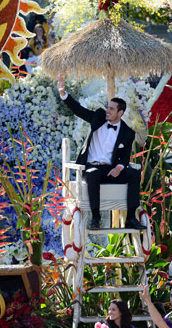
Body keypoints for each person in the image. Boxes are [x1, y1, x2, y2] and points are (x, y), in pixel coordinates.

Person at [57, 76, 145, 231]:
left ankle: (131, 217)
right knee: (93, 175)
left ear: (121, 112)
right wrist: (64, 94)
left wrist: (118, 168)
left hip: (110, 169)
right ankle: (96, 218)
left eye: (111, 109)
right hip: (91, 167)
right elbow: (79, 110)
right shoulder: (98, 117)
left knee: (133, 174)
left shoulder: (127, 133)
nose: (108, 110)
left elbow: (124, 158)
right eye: (108, 107)